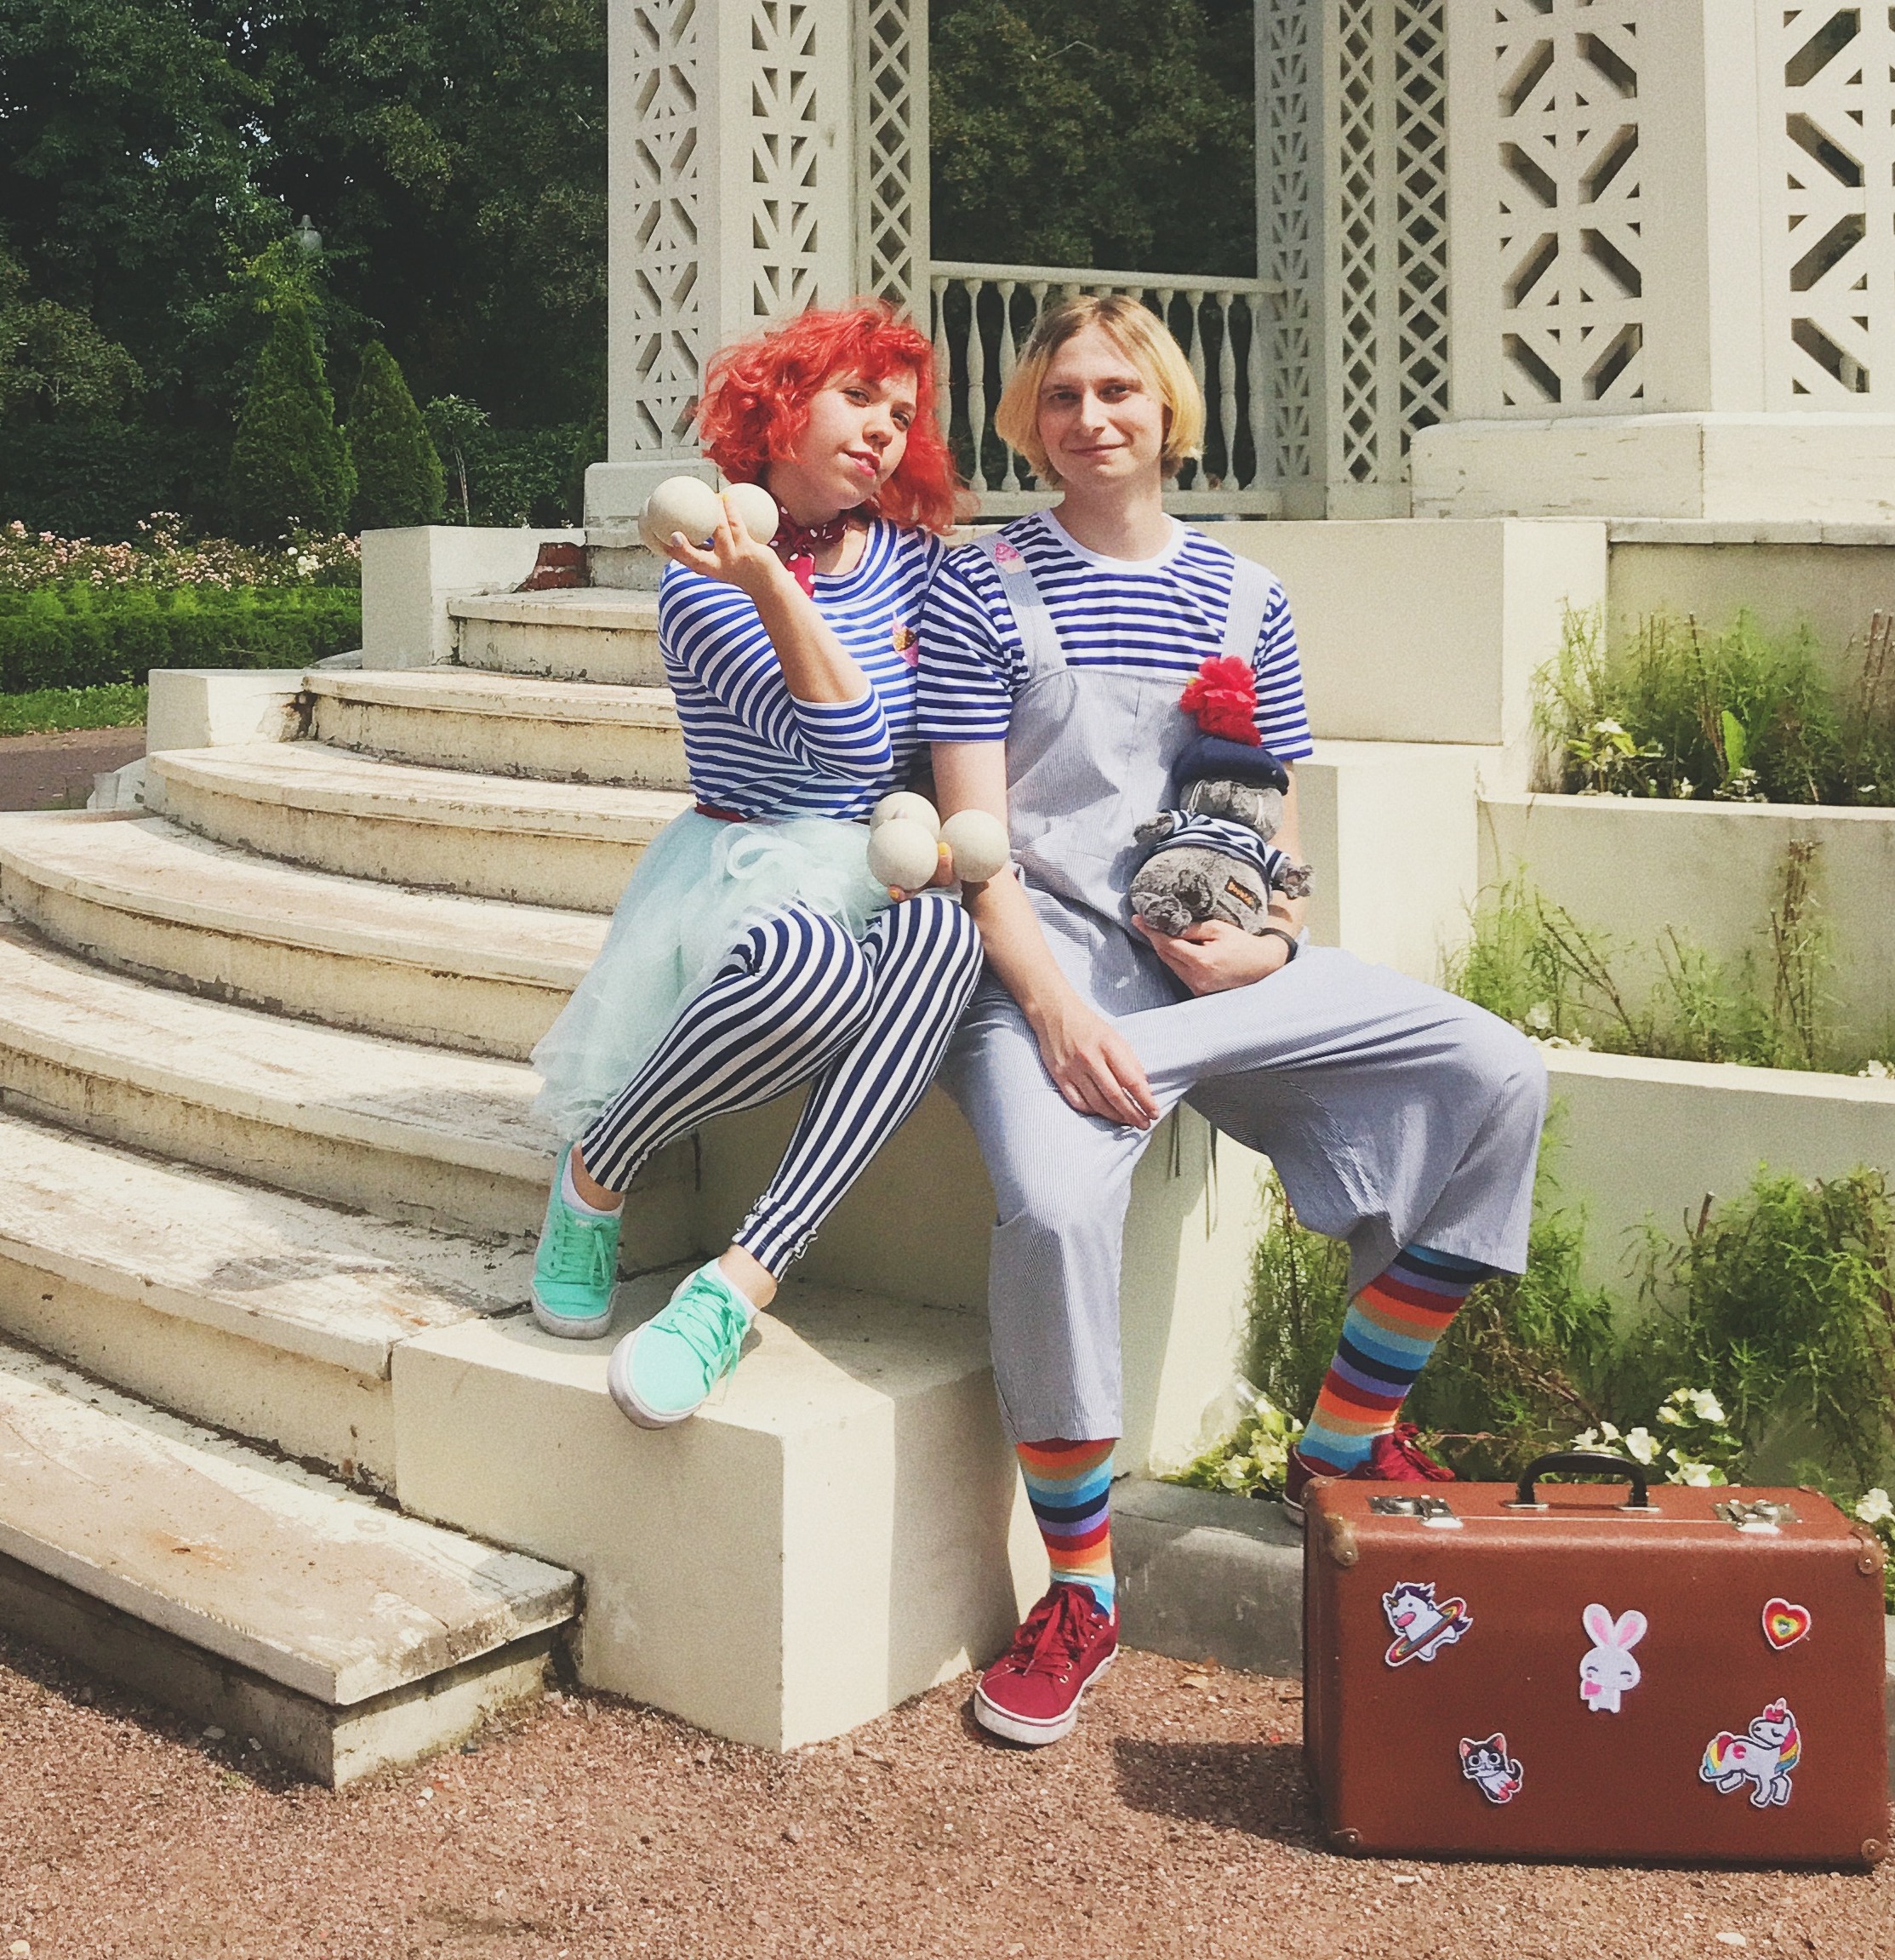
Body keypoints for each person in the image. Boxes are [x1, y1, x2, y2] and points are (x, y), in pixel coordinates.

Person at [917, 294, 1546, 1745]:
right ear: (1028, 420)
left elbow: (1276, 818)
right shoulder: (979, 584)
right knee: (1053, 1210)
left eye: (1117, 391)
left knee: (1494, 1072)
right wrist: (1055, 1014)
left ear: (1168, 411)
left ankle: (1347, 1436)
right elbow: (974, 847)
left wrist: (1273, 940)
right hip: (1050, 972)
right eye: (1061, 395)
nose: (1091, 418)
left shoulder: (1245, 594)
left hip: (1225, 975)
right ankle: (1082, 1591)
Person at [528, 303, 983, 1431]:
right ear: (779, 407)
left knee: (946, 933)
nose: (883, 431)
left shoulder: (916, 564)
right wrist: (773, 583)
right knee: (806, 976)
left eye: (901, 416)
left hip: (887, 852)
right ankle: (596, 1174)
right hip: (755, 856)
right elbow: (848, 745)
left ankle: (737, 1285)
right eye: (856, 398)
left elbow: (936, 727)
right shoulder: (699, 572)